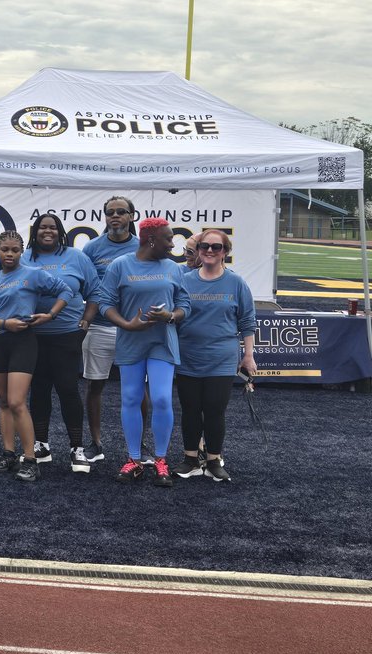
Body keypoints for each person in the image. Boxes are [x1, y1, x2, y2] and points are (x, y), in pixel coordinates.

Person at [99, 217, 191, 486]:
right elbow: (105, 303)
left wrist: (170, 316)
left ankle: (161, 459)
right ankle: (134, 459)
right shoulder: (120, 266)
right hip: (131, 343)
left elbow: (184, 305)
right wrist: (128, 324)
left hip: (162, 342)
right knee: (130, 398)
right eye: (168, 238)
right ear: (151, 240)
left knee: (162, 399)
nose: (173, 244)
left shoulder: (173, 269)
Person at [0, 231, 72, 483]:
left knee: (17, 402)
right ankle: (8, 453)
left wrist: (50, 315)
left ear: (21, 252)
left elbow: (66, 291)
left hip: (24, 342)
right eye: (5, 249)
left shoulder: (33, 274)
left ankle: (30, 460)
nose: (9, 254)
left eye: (15, 250)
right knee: (3, 401)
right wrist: (2, 323)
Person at [21, 214, 100, 473]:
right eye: (42, 227)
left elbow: (96, 293)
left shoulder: (76, 257)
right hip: (32, 336)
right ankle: (41, 445)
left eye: (52, 228)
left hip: (67, 334)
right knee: (39, 390)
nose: (47, 232)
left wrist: (86, 322)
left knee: (67, 389)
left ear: (60, 231)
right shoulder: (25, 257)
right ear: (35, 231)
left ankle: (76, 448)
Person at [175, 229, 256, 481]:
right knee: (189, 410)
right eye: (204, 246)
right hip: (187, 356)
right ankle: (190, 459)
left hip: (221, 359)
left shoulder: (236, 283)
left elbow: (247, 321)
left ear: (225, 252)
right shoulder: (184, 280)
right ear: (197, 250)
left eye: (216, 247)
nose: (210, 251)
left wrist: (248, 356)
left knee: (214, 411)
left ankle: (213, 460)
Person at [80, 196, 141, 461]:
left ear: (132, 216)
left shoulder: (143, 247)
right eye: (109, 212)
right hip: (100, 327)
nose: (114, 216)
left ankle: (141, 446)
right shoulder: (92, 249)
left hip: (134, 329)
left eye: (121, 212)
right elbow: (83, 284)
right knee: (95, 386)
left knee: (140, 390)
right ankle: (95, 443)